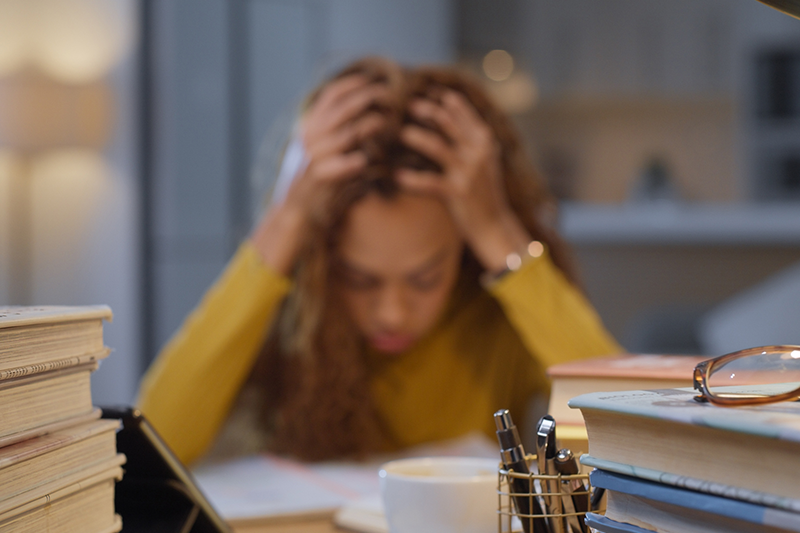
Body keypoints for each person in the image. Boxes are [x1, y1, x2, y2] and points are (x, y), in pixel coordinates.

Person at [137, 57, 621, 465]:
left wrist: (499, 233)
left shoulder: (498, 315)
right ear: (322, 260)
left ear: (467, 250)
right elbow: (153, 444)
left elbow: (625, 429)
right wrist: (286, 222)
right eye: (358, 279)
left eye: (425, 278)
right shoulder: (292, 294)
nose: (391, 313)